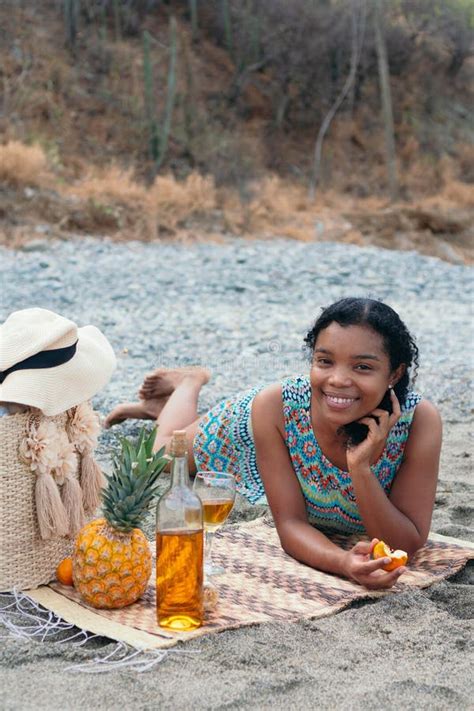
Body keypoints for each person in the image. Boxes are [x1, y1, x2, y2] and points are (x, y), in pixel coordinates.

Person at [105, 297, 442, 590]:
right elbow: (291, 524)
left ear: (395, 375)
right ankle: (188, 383)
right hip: (247, 427)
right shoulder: (276, 407)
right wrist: (343, 563)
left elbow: (405, 545)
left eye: (363, 367)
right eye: (324, 361)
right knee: (162, 455)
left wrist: (361, 468)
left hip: (308, 440)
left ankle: (161, 408)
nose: (338, 379)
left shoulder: (419, 422)